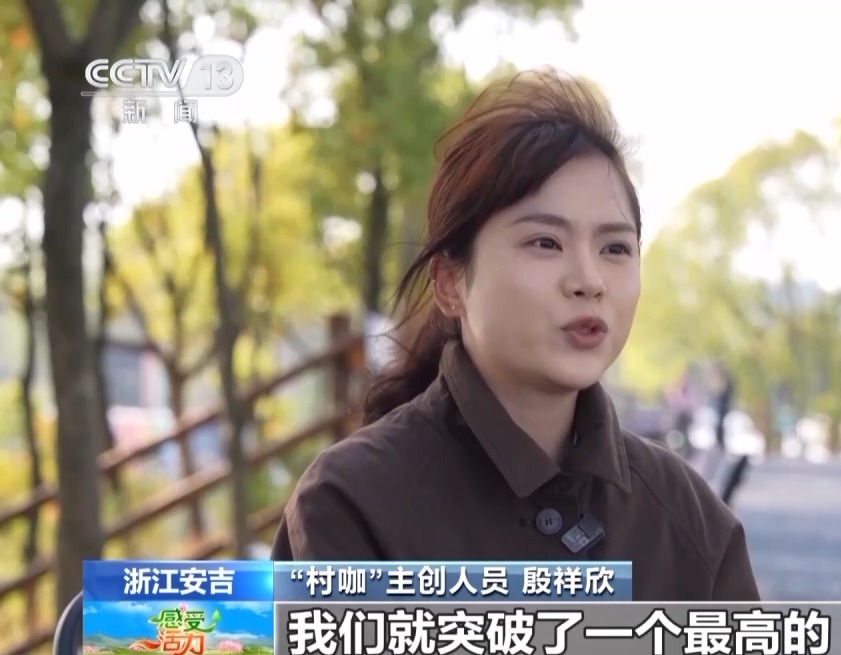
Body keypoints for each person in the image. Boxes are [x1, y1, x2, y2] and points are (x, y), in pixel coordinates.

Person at [271, 70, 760, 601]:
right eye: (545, 243)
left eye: (615, 249)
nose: (589, 280)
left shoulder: (686, 518)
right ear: (450, 282)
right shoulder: (350, 503)